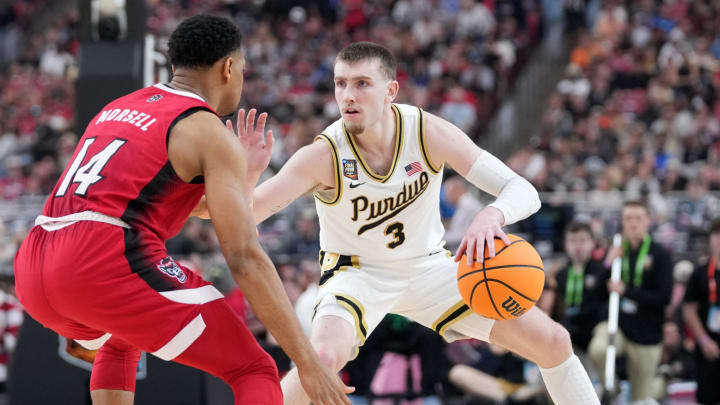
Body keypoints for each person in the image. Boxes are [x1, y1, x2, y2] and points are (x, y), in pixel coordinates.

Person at [211, 42, 600, 404]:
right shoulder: (323, 155)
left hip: (430, 268)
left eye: (362, 83)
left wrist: (492, 213)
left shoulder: (427, 132)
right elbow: (245, 217)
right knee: (323, 357)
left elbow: (523, 190)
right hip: (358, 276)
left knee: (553, 341)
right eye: (340, 84)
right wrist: (248, 176)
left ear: (391, 91)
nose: (348, 94)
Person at [12, 15, 350, 405]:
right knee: (253, 369)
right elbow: (242, 255)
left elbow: (197, 207)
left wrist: (249, 173)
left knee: (123, 337)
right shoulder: (205, 129)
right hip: (101, 260)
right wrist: (306, 360)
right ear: (228, 68)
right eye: (241, 68)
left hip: (36, 262)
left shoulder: (119, 106)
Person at [588, 200, 673, 404]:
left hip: (647, 334)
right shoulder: (616, 250)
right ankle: (612, 387)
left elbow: (664, 297)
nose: (633, 223)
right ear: (622, 222)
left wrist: (627, 291)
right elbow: (596, 292)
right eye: (628, 218)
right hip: (618, 326)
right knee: (598, 348)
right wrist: (608, 262)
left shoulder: (659, 254)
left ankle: (660, 382)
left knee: (641, 399)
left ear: (648, 221)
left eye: (638, 218)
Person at [547, 222, 609, 354]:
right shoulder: (560, 274)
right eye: (572, 241)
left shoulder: (602, 271)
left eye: (583, 240)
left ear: (593, 243)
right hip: (567, 331)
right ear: (565, 244)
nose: (578, 246)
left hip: (593, 329)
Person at [683, 218, 720, 405]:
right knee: (707, 396)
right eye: (716, 234)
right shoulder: (700, 273)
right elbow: (689, 309)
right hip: (708, 343)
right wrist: (703, 340)